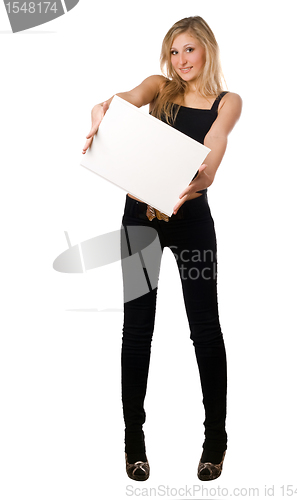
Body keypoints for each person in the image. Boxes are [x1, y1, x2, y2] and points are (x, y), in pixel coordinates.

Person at [82, 16, 242, 481]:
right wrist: (100, 112)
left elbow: (213, 148)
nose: (181, 61)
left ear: (207, 49)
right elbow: (118, 102)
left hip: (192, 222)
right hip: (141, 220)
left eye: (189, 49)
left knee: (206, 331)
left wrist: (200, 178)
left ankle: (216, 440)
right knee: (137, 332)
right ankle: (134, 443)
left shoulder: (227, 101)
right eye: (174, 52)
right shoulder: (159, 87)